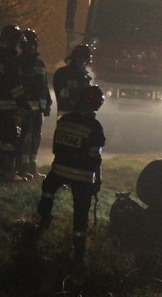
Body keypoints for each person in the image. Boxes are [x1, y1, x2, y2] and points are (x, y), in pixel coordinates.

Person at [37, 85, 106, 265]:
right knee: (81, 212)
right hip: (83, 177)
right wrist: (97, 180)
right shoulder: (95, 127)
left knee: (48, 188)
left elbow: (55, 148)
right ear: (97, 106)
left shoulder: (64, 120)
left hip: (59, 169)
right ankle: (79, 249)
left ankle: (44, 219)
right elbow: (95, 158)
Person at [0, 24, 30, 182]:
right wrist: (23, 103)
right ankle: (9, 173)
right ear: (13, 40)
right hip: (11, 106)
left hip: (1, 105)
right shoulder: (9, 59)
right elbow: (14, 84)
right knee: (12, 140)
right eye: (18, 41)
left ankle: (3, 171)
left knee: (3, 141)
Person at [17, 28, 52, 179]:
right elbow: (18, 84)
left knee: (36, 136)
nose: (31, 47)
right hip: (24, 107)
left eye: (33, 43)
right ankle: (22, 168)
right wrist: (21, 104)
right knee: (25, 136)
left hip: (38, 108)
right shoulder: (19, 62)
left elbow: (44, 84)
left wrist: (48, 103)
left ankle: (32, 167)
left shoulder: (40, 63)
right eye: (28, 44)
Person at [53, 44, 93, 119]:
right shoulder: (63, 73)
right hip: (68, 114)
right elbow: (62, 94)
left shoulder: (84, 77)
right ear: (74, 58)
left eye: (84, 60)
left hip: (75, 115)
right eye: (80, 59)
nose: (82, 62)